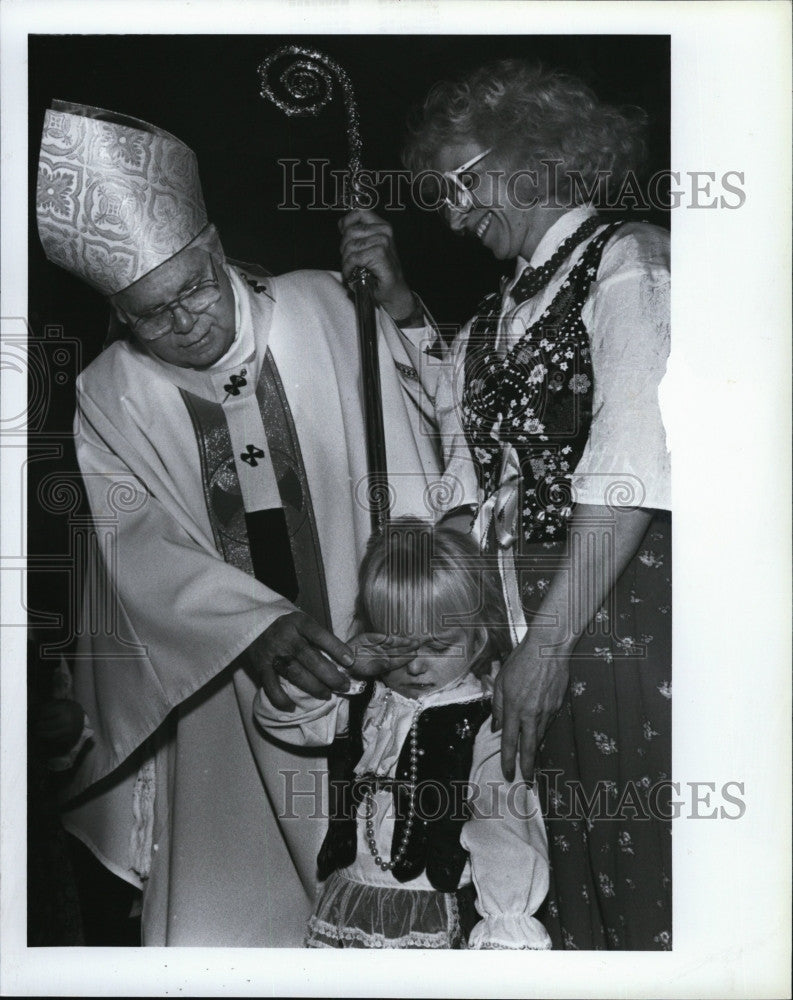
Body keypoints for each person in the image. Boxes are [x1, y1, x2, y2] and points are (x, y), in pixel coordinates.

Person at [35, 100, 444, 945]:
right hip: (225, 688)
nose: (186, 320)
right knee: (238, 911)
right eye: (155, 313)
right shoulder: (110, 393)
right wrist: (250, 626)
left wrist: (399, 311)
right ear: (121, 315)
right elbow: (130, 542)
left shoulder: (328, 305)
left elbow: (444, 421)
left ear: (216, 251)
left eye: (193, 288)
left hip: (393, 651)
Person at [339, 60, 671, 949]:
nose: (448, 211)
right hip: (523, 630)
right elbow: (466, 453)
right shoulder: (500, 309)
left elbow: (630, 459)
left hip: (616, 620)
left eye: (458, 184)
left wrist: (552, 644)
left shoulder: (627, 260)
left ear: (529, 157)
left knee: (626, 850)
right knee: (539, 858)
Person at [254, 517, 552, 949]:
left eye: (437, 646)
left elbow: (503, 825)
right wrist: (344, 666)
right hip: (348, 900)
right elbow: (279, 713)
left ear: (477, 639)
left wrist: (506, 925)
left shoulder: (484, 720)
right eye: (397, 646)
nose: (415, 666)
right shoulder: (358, 697)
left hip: (433, 907)